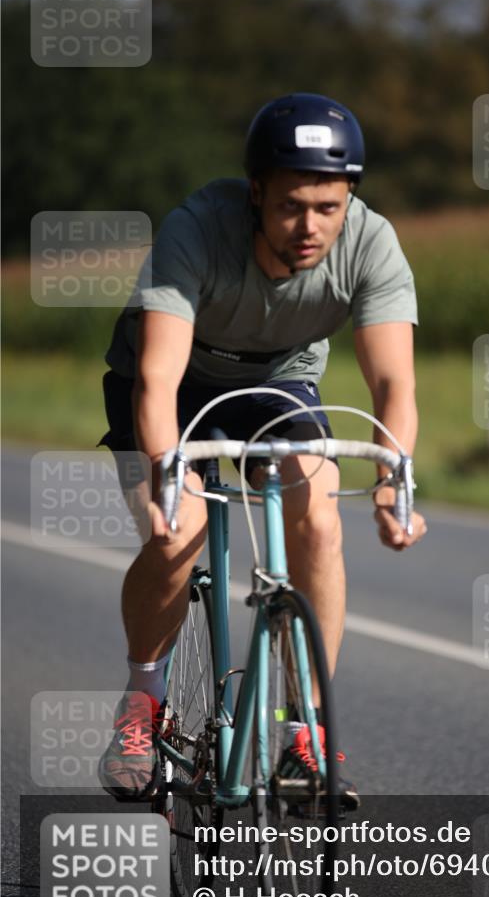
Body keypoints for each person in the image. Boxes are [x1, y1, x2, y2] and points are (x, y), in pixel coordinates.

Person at [98, 92, 427, 809]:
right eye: (290, 206)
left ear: (349, 200)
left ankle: (305, 731)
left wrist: (390, 478)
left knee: (319, 514)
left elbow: (393, 380)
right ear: (255, 194)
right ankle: (142, 702)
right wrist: (166, 478)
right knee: (179, 531)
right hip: (174, 380)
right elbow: (156, 380)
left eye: (328, 208)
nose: (309, 227)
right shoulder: (196, 229)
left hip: (277, 379)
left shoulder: (371, 242)